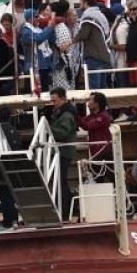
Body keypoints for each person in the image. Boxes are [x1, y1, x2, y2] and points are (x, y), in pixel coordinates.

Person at [49, 86, 78, 219]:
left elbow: (63, 133)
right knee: (61, 182)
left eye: (54, 101)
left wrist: (49, 129)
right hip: (62, 151)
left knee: (61, 182)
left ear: (62, 99)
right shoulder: (62, 112)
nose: (52, 103)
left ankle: (65, 211)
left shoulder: (66, 114)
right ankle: (66, 210)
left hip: (64, 151)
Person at [73, 0, 112, 89]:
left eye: (81, 3)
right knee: (103, 85)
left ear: (86, 3)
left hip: (93, 55)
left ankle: (96, 104)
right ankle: (105, 104)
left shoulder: (89, 17)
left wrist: (70, 42)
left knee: (94, 86)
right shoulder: (101, 15)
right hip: (104, 54)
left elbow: (83, 34)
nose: (80, 5)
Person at [79, 91, 113, 180]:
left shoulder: (104, 116)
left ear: (97, 103)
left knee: (110, 177)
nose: (88, 103)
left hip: (105, 152)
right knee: (98, 178)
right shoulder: (91, 117)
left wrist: (74, 113)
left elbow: (87, 126)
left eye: (90, 100)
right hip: (96, 153)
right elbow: (81, 122)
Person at [19, 8, 55, 92]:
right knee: (34, 92)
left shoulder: (39, 30)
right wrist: (49, 28)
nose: (38, 18)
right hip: (34, 67)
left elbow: (52, 39)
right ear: (29, 18)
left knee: (46, 93)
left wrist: (54, 28)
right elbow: (38, 39)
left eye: (38, 16)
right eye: (36, 16)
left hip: (44, 66)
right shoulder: (25, 31)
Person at [50, 0, 77, 90]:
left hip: (62, 65)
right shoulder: (61, 28)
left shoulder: (59, 28)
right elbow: (66, 48)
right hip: (64, 64)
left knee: (64, 90)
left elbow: (64, 48)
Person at [108, 4, 130, 86]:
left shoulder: (121, 27)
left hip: (122, 65)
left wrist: (111, 46)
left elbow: (123, 46)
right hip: (123, 64)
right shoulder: (126, 24)